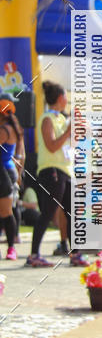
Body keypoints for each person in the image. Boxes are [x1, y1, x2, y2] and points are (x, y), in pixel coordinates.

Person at [27, 81, 88, 267]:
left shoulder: (61, 118)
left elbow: (72, 144)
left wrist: (78, 128)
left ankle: (75, 253)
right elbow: (52, 145)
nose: (67, 100)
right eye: (66, 96)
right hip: (51, 170)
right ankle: (34, 254)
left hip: (65, 170)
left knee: (72, 212)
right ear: (61, 98)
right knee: (48, 212)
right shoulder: (47, 118)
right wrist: (69, 130)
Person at [0, 94, 24, 260]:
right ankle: (11, 248)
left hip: (3, 173)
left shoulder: (4, 130)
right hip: (9, 172)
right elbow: (20, 155)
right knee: (7, 211)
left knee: (6, 211)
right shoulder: (13, 127)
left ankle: (11, 248)